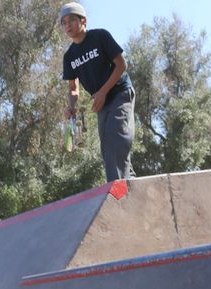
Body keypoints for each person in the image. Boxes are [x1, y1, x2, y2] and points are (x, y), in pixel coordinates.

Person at [60, 2, 135, 182]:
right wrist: (71, 107)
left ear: (83, 21)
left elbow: (121, 65)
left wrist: (102, 91)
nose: (68, 25)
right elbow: (73, 88)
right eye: (64, 22)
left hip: (120, 92)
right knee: (108, 147)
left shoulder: (100, 36)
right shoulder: (69, 56)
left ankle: (118, 189)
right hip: (102, 103)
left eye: (72, 20)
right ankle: (130, 184)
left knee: (116, 139)